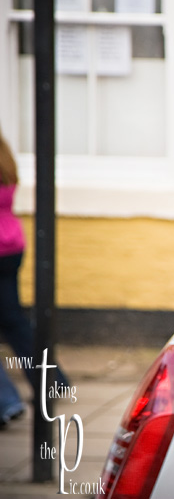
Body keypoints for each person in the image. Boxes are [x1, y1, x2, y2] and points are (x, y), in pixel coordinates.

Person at [0, 128, 69, 429]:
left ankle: (6, 401)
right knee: (14, 322)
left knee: (14, 321)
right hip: (11, 245)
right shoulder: (5, 161)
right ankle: (54, 380)